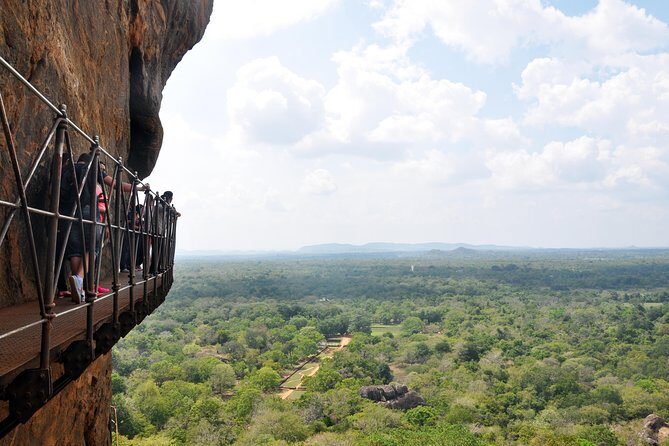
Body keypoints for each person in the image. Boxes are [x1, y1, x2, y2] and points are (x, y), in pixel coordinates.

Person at [61, 153, 149, 303]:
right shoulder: (92, 169)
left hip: (69, 211)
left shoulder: (68, 169)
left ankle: (79, 287)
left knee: (75, 250)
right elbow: (116, 184)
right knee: (92, 248)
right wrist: (139, 188)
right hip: (89, 209)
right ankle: (78, 279)